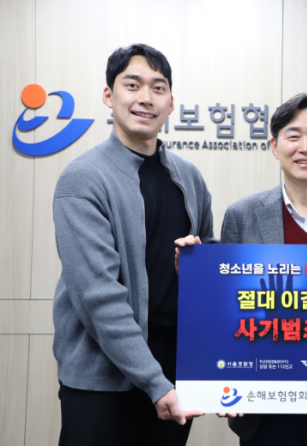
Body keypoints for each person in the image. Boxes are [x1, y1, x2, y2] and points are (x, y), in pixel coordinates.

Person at [178, 93, 307, 445]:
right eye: (293, 136)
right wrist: (194, 272)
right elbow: (227, 308)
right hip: (264, 407)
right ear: (275, 147)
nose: (305, 147)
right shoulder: (242, 216)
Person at [53, 43, 215, 446]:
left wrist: (197, 265)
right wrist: (154, 382)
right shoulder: (82, 178)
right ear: (109, 96)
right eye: (133, 85)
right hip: (102, 382)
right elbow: (98, 297)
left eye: (158, 88)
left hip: (176, 375)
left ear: (171, 103)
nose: (146, 98)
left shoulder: (190, 178)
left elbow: (212, 270)